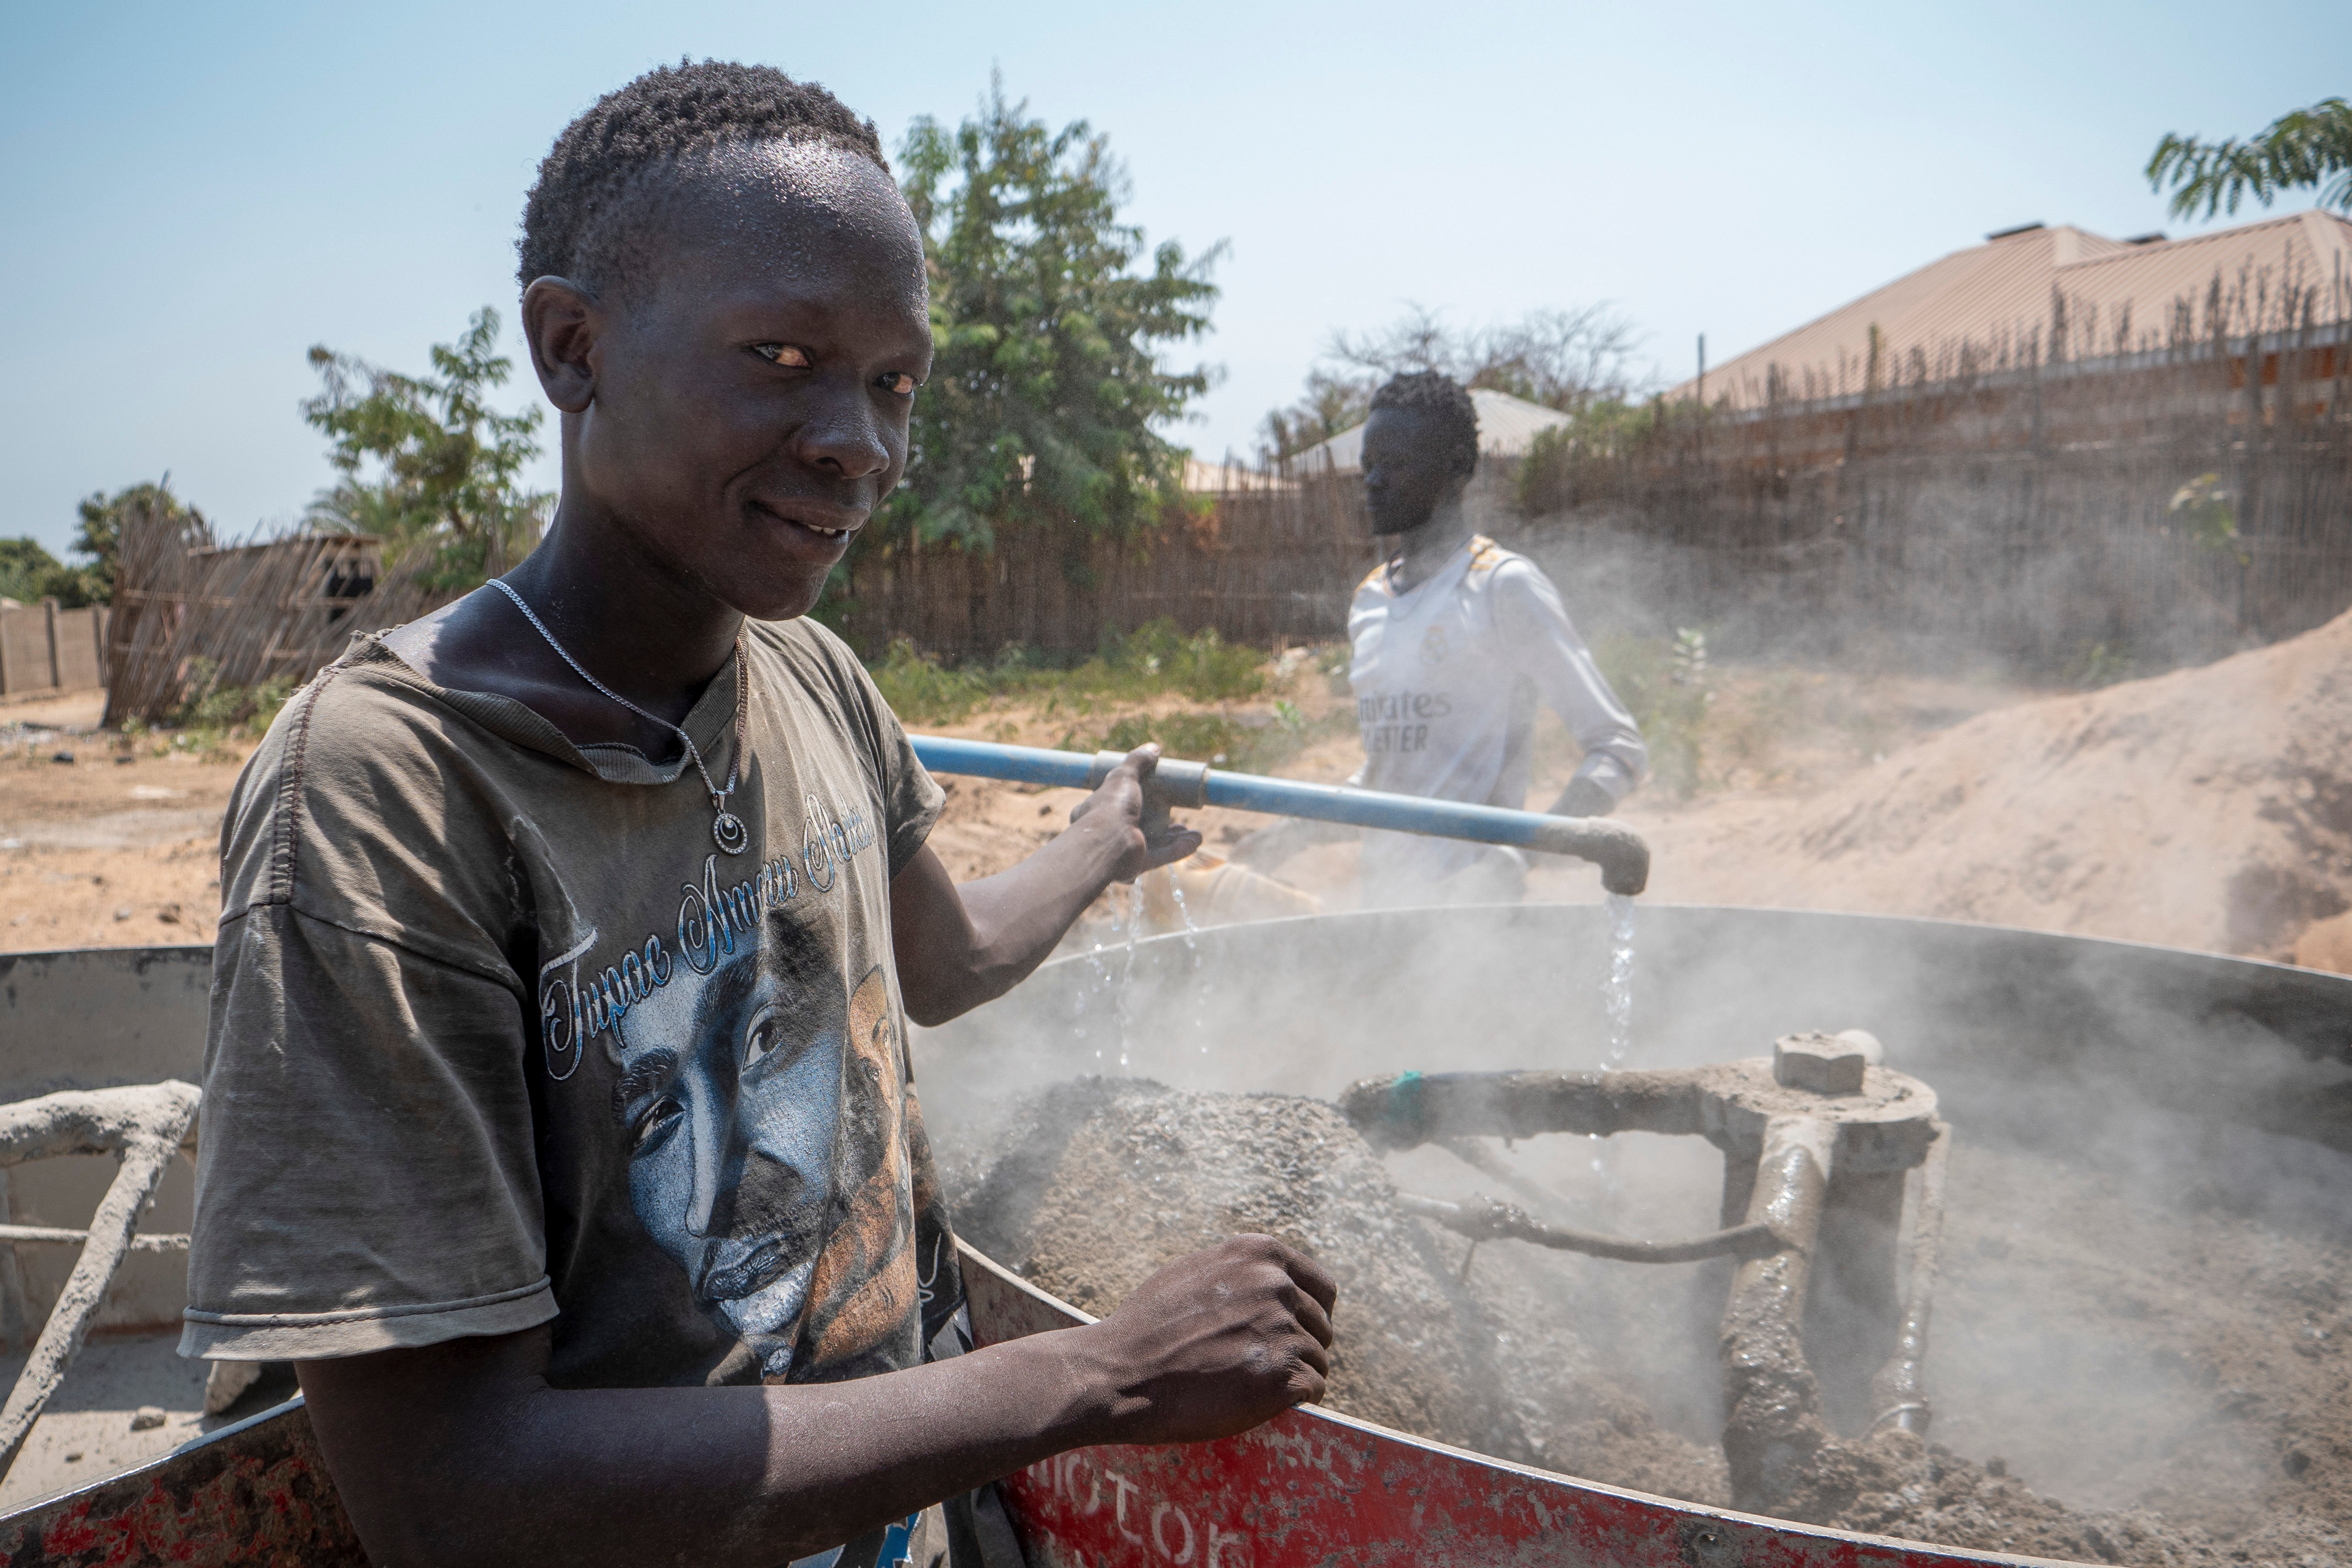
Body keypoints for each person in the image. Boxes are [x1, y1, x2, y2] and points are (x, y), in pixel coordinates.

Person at [179, 62, 1334, 1568]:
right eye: (783, 354)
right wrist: (1088, 1373)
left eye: (893, 380)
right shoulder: (391, 789)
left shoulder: (806, 671)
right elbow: (453, 1488)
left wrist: (1108, 834)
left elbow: (943, 956)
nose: (860, 439)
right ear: (572, 347)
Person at [1346, 371, 1646, 906]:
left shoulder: (1499, 586)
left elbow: (1618, 749)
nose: (1373, 481)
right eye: (1368, 465)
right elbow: (1385, 771)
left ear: (1457, 469)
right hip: (1380, 906)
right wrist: (1295, 829)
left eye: (1394, 465)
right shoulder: (1369, 601)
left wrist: (1517, 857)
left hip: (1475, 922)